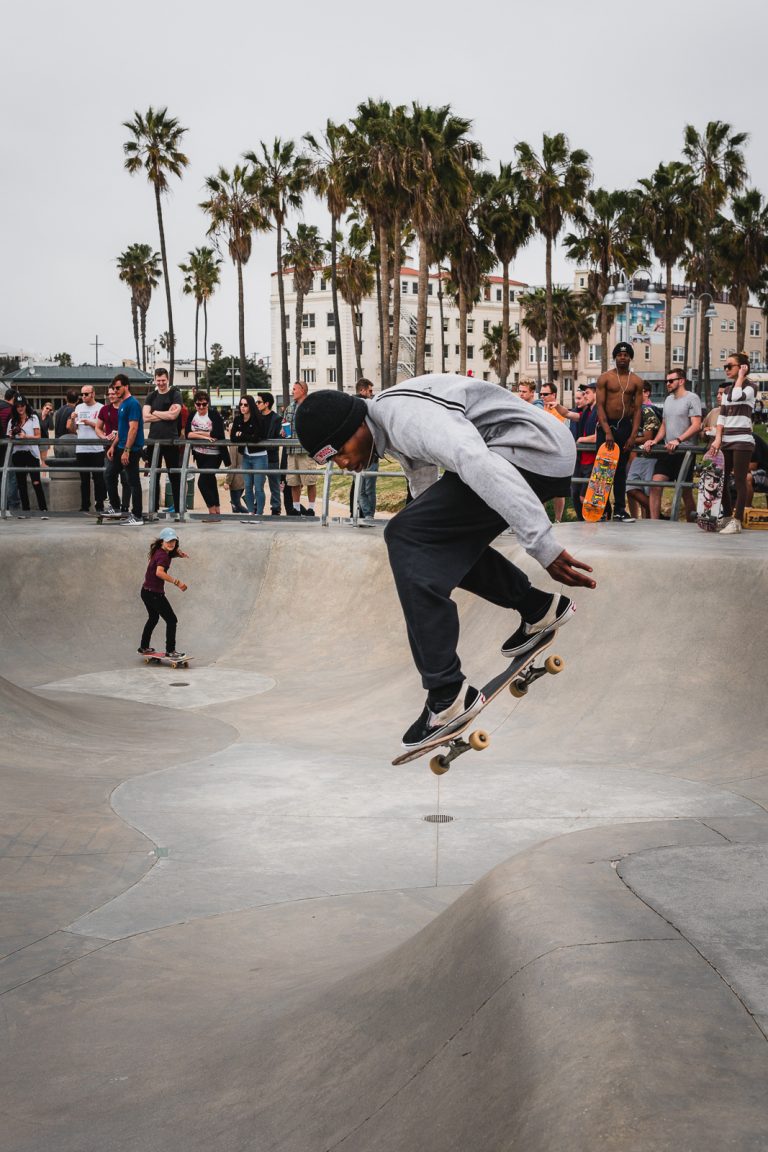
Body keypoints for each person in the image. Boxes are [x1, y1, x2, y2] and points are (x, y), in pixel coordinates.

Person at [295, 376, 595, 750]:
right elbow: (424, 484)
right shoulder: (387, 423)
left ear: (357, 427)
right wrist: (433, 537)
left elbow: (475, 461)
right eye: (332, 461)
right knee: (423, 540)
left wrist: (542, 544)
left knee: (405, 536)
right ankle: (538, 608)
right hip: (529, 448)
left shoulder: (408, 419)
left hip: (529, 451)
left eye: (339, 451)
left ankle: (447, 694)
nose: (343, 464)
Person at [642, 368, 702, 521]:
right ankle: (655, 523)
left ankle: (692, 523)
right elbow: (664, 424)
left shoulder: (692, 398)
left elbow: (696, 425)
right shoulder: (668, 400)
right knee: (655, 485)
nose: (667, 383)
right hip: (667, 451)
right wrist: (655, 441)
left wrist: (679, 440)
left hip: (685, 452)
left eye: (671, 381)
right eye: (666, 381)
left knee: (685, 491)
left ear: (681, 381)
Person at [594, 342, 645, 522]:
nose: (622, 357)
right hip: (606, 427)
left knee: (621, 471)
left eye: (625, 355)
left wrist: (632, 435)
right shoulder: (605, 378)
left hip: (625, 427)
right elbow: (599, 406)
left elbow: (638, 410)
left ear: (630, 358)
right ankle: (602, 509)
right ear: (615, 357)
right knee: (603, 469)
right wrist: (607, 431)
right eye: (619, 355)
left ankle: (620, 510)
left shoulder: (637, 381)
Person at [711, 353, 756, 534]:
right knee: (721, 481)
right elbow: (722, 415)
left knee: (739, 480)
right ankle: (728, 517)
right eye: (725, 367)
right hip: (727, 440)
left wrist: (740, 378)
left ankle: (737, 521)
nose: (726, 369)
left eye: (730, 366)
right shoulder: (728, 390)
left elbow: (738, 396)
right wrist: (717, 438)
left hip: (743, 440)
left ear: (742, 367)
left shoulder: (751, 387)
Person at [138, 526, 188, 659]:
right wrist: (177, 582)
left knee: (153, 618)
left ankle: (143, 647)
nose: (171, 544)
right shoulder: (163, 556)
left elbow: (169, 553)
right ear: (162, 542)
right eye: (168, 542)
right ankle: (170, 651)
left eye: (174, 541)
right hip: (154, 594)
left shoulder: (158, 551)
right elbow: (159, 572)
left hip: (145, 591)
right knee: (172, 620)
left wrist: (178, 554)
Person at [143, 367, 183, 518]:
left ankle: (179, 510)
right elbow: (145, 417)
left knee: (174, 476)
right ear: (155, 379)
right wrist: (165, 414)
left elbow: (174, 416)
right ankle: (153, 509)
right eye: (158, 380)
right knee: (154, 475)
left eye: (163, 380)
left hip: (171, 441)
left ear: (168, 379)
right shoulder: (151, 396)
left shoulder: (175, 394)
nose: (161, 383)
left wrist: (155, 412)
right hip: (153, 441)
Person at [105, 373, 145, 525]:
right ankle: (116, 507)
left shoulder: (132, 404)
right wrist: (113, 446)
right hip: (120, 447)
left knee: (133, 481)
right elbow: (121, 430)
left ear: (126, 386)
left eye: (117, 388)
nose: (115, 391)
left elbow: (133, 429)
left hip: (131, 450)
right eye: (113, 388)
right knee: (109, 474)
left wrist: (127, 451)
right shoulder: (122, 404)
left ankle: (137, 515)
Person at [185, 390, 228, 520]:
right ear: (195, 404)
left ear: (208, 404)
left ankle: (212, 513)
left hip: (214, 454)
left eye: (204, 404)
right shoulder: (192, 415)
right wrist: (203, 435)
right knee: (210, 481)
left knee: (202, 482)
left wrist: (197, 434)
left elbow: (218, 434)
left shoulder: (214, 415)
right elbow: (188, 434)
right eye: (199, 404)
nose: (202, 407)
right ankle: (217, 512)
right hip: (199, 454)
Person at [67, 383, 107, 514]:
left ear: (93, 394)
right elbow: (73, 430)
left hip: (96, 449)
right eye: (82, 394)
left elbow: (105, 429)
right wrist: (73, 420)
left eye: (86, 394)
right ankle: (85, 505)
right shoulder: (78, 407)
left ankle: (99, 504)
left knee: (98, 479)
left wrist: (91, 423)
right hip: (82, 449)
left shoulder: (101, 408)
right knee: (84, 480)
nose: (83, 396)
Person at [283, 380, 321, 516]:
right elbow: (284, 423)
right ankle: (296, 509)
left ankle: (311, 508)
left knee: (310, 480)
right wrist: (283, 431)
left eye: (294, 389)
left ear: (303, 390)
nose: (292, 391)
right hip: (291, 450)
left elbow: (318, 426)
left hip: (306, 451)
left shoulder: (311, 407)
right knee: (293, 482)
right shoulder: (289, 407)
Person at [7, 395, 48, 516]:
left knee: (36, 482)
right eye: (18, 406)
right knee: (21, 483)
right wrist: (12, 436)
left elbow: (38, 436)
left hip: (31, 453)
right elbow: (9, 437)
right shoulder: (12, 420)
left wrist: (26, 437)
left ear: (26, 406)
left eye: (22, 406)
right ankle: (25, 510)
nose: (20, 408)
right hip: (18, 453)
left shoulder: (33, 418)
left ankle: (43, 509)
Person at [626, 384, 662, 519]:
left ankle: (653, 519)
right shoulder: (631, 412)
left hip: (652, 455)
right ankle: (658, 516)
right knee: (630, 488)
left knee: (648, 491)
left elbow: (648, 437)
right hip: (638, 456)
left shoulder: (647, 411)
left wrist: (629, 440)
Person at [230, 394, 268, 519]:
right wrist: (246, 436)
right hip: (246, 456)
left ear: (251, 406)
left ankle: (259, 514)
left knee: (258, 487)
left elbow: (256, 438)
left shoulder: (259, 419)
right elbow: (233, 438)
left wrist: (242, 434)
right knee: (247, 486)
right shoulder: (237, 420)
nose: (242, 407)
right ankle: (251, 513)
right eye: (241, 404)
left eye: (245, 405)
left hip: (259, 457)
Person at [348, 378, 379, 521]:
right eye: (370, 391)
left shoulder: (357, 406)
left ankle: (368, 515)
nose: (371, 394)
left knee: (364, 488)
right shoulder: (362, 406)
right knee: (364, 488)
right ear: (362, 390)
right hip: (365, 454)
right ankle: (368, 515)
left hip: (367, 454)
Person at [570, 384, 598, 521]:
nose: (584, 396)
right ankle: (582, 521)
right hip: (581, 459)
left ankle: (601, 517)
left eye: (587, 393)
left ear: (596, 394)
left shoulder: (599, 412)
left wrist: (581, 439)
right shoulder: (585, 412)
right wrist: (556, 406)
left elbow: (598, 437)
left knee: (585, 497)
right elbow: (568, 414)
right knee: (575, 492)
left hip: (594, 459)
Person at [256, 392, 282, 515]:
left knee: (274, 485)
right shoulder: (256, 417)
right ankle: (257, 506)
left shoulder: (276, 419)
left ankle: (276, 508)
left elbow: (279, 437)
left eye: (259, 402)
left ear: (266, 404)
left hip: (271, 456)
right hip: (258, 456)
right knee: (258, 484)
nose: (257, 404)